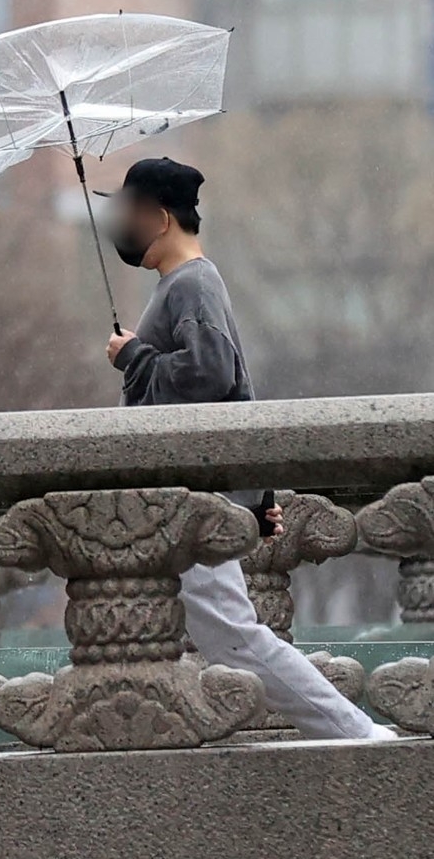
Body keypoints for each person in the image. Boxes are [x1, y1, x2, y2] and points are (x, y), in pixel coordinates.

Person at [98, 156, 396, 741]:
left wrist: (132, 357)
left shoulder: (192, 283)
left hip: (194, 501)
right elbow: (238, 393)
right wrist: (256, 499)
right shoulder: (184, 284)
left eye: (130, 211)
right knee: (201, 633)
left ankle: (359, 735)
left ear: (160, 218)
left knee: (234, 636)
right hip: (187, 499)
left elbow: (211, 376)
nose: (120, 225)